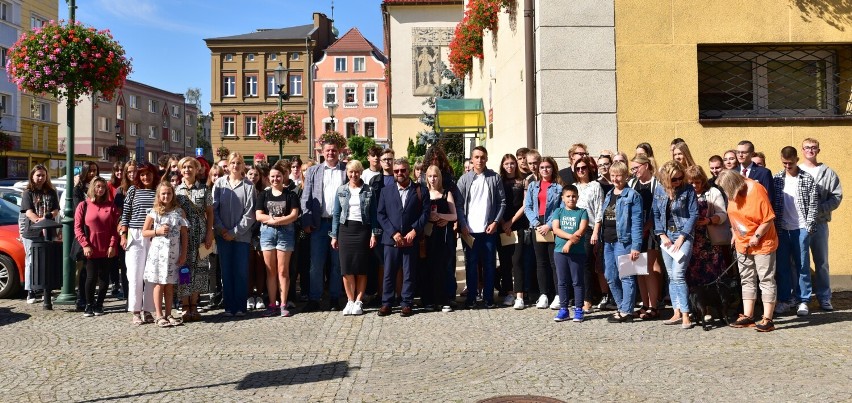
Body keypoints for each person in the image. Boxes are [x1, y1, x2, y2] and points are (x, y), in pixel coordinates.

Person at [716, 169, 778, 332]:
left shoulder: (756, 190)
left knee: (766, 279)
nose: (725, 192)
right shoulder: (732, 192)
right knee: (746, 279)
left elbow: (768, 218)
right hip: (742, 243)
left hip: (762, 242)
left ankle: (768, 319)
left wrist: (757, 236)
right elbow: (734, 216)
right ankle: (748, 316)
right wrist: (734, 234)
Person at [376, 159, 429, 316]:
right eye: (397, 170)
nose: (400, 173)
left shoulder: (420, 190)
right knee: (389, 273)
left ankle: (406, 303)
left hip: (410, 239)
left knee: (409, 272)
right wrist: (393, 233)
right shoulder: (386, 191)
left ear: (409, 170)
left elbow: (425, 213)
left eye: (403, 170)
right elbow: (380, 214)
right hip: (391, 239)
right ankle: (387, 303)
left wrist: (415, 230)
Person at [301, 140, 347, 312]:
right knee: (316, 263)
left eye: (334, 150)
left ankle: (335, 298)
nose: (330, 153)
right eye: (327, 150)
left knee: (337, 264)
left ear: (339, 151)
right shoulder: (313, 171)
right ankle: (314, 298)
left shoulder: (345, 170)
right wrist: (306, 221)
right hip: (319, 224)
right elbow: (305, 197)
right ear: (322, 151)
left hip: (339, 224)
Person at [771, 147, 817, 316]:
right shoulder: (777, 179)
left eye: (790, 163)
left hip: (801, 227)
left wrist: (808, 227)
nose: (787, 166)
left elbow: (813, 204)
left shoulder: (807, 178)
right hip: (782, 229)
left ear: (797, 159)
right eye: (784, 163)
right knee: (782, 266)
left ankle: (803, 300)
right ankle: (784, 300)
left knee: (802, 265)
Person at [458, 146, 506, 309]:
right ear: (472, 159)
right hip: (469, 231)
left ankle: (488, 298)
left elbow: (501, 202)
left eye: (482, 157)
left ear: (486, 159)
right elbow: (458, 205)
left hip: (488, 230)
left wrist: (495, 222)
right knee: (471, 265)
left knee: (489, 265)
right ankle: (471, 298)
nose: (479, 160)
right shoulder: (464, 179)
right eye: (477, 157)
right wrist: (463, 224)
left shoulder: (494, 178)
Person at [798, 137, 842, 311]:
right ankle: (803, 299)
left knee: (822, 262)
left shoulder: (828, 173)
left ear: (818, 150)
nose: (810, 150)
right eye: (807, 147)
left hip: (820, 223)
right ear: (802, 150)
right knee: (801, 262)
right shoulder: (796, 171)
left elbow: (836, 197)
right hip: (800, 224)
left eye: (813, 147)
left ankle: (824, 297)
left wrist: (819, 210)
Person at [653, 161, 698, 329]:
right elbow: (655, 213)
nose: (678, 181)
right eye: (674, 179)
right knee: (671, 275)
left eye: (680, 178)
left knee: (678, 274)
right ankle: (676, 311)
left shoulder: (688, 190)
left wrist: (682, 237)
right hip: (666, 236)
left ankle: (686, 314)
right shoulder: (659, 190)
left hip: (683, 235)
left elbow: (694, 214)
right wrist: (662, 234)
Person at [330, 160, 378, 316]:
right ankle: (350, 300)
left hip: (363, 230)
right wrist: (334, 235)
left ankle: (359, 301)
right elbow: (336, 214)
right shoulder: (341, 190)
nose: (353, 175)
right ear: (347, 173)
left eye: (356, 172)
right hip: (345, 230)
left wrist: (373, 234)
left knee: (361, 268)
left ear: (361, 172)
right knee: (347, 268)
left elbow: (374, 214)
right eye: (351, 172)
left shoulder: (369, 190)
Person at [212, 152, 256, 317]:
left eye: (238, 163)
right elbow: (214, 209)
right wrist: (222, 229)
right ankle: (229, 306)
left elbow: (250, 214)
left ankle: (240, 306)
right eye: (232, 163)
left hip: (241, 236)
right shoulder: (220, 184)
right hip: (223, 235)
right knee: (226, 271)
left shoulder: (249, 186)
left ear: (243, 165)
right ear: (228, 165)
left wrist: (234, 232)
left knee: (241, 272)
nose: (235, 166)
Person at [257, 160, 301, 317]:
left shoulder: (291, 194)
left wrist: (277, 221)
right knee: (271, 271)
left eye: (278, 176)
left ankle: (283, 303)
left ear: (283, 177)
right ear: (269, 178)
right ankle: (272, 304)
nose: (275, 179)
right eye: (273, 176)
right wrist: (274, 220)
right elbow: (258, 215)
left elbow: (294, 215)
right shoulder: (264, 194)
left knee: (283, 271)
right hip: (267, 233)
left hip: (285, 233)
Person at [601, 161, 643, 323]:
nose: (615, 179)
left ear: (626, 176)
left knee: (626, 276)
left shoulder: (633, 195)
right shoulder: (609, 194)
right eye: (613, 175)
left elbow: (637, 223)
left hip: (624, 241)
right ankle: (622, 307)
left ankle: (627, 311)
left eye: (619, 175)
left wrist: (636, 246)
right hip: (608, 241)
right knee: (610, 276)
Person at [142, 182, 188, 328]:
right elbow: (144, 232)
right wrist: (157, 231)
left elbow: (184, 235)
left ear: (173, 194)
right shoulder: (154, 212)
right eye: (163, 194)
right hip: (158, 254)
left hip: (173, 254)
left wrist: (183, 254)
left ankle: (169, 313)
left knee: (170, 285)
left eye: (169, 193)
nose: (166, 196)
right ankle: (159, 315)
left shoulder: (179, 212)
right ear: (159, 195)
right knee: (159, 283)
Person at [174, 157, 214, 322]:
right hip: (183, 236)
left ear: (197, 169)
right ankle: (185, 305)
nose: (187, 170)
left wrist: (209, 233)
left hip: (201, 235)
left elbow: (210, 212)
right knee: (184, 269)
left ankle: (194, 305)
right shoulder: (176, 191)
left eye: (190, 167)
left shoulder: (205, 189)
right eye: (184, 167)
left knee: (200, 270)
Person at [74, 177, 120, 317]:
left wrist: (112, 245)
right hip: (90, 248)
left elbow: (115, 228)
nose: (100, 189)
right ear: (92, 188)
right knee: (91, 277)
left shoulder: (111, 206)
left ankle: (99, 304)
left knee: (104, 278)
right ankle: (89, 304)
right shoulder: (83, 205)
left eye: (103, 187)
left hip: (106, 248)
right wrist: (85, 245)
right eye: (98, 186)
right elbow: (77, 228)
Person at [685, 165, 731, 303]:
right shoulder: (684, 193)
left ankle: (716, 305)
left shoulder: (713, 192)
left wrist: (709, 220)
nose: (694, 185)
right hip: (691, 242)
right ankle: (697, 306)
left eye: (697, 182)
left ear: (703, 180)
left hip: (709, 241)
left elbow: (722, 214)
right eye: (691, 182)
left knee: (713, 274)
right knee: (693, 275)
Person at [120, 162, 158, 325]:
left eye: (148, 174)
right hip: (135, 234)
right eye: (142, 174)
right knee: (135, 274)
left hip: (153, 235)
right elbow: (126, 213)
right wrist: (123, 235)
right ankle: (135, 310)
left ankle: (148, 310)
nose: (145, 177)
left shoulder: (158, 191)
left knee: (150, 275)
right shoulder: (133, 190)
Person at [524, 156, 563, 309]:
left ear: (553, 168)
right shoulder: (533, 186)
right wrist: (536, 223)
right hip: (537, 225)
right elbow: (527, 207)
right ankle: (543, 294)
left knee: (554, 262)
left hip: (552, 225)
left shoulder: (558, 187)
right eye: (542, 167)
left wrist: (548, 225)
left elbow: (560, 209)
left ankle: (558, 295)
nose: (545, 170)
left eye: (548, 167)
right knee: (540, 262)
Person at [627, 154, 663, 320]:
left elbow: (659, 210)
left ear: (646, 166)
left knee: (648, 268)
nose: (634, 171)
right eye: (632, 169)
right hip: (635, 231)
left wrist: (646, 227)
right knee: (637, 269)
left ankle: (654, 306)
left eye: (636, 168)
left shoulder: (657, 184)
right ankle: (645, 304)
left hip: (651, 231)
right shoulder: (632, 184)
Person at [20, 165, 60, 304]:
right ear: (32, 176)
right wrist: (40, 221)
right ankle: (30, 291)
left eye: (43, 175)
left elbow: (56, 210)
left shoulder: (51, 191)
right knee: (31, 261)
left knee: (47, 261)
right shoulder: (28, 193)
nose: (41, 178)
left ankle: (46, 290)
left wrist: (48, 217)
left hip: (49, 231)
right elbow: (28, 212)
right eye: (38, 175)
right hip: (32, 232)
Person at [550, 185, 589, 322]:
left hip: (577, 252)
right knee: (562, 281)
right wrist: (570, 237)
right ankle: (563, 309)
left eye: (573, 196)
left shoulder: (582, 212)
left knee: (577, 281)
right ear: (563, 198)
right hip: (559, 252)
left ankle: (578, 309)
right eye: (568, 196)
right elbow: (556, 229)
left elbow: (581, 229)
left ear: (577, 197)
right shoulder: (558, 211)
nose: (571, 199)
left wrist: (569, 243)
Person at [423, 165, 458, 312]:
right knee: (428, 267)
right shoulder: (424, 193)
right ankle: (429, 300)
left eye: (435, 176)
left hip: (443, 235)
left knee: (443, 266)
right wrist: (428, 218)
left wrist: (442, 217)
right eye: (430, 176)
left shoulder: (446, 193)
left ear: (440, 177)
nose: (433, 179)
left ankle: (444, 299)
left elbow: (454, 215)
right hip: (428, 235)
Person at [572, 156, 603, 313]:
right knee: (574, 265)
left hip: (589, 230)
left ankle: (587, 299)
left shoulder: (595, 186)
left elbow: (599, 210)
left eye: (583, 168)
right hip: (572, 230)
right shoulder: (573, 187)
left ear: (589, 169)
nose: (581, 171)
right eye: (577, 169)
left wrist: (596, 231)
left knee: (586, 265)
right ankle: (577, 298)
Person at [498, 154, 527, 309]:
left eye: (512, 163)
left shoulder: (523, 181)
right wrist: (503, 222)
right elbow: (496, 202)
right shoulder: (499, 181)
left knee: (517, 260)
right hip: (501, 225)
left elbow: (525, 204)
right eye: (506, 164)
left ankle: (519, 295)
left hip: (518, 223)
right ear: (502, 166)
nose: (510, 166)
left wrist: (511, 222)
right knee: (505, 261)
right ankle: (509, 292)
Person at [72, 161, 102, 310]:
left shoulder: (99, 187)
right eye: (90, 171)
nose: (92, 173)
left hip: (97, 231)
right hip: (84, 230)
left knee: (94, 269)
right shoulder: (78, 189)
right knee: (84, 268)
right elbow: (78, 209)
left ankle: (90, 297)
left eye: (95, 170)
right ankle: (81, 298)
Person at [206, 164, 225, 309]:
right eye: (214, 175)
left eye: (219, 175)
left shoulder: (225, 191)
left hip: (221, 232)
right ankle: (213, 295)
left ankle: (223, 294)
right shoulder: (206, 191)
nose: (216, 178)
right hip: (209, 234)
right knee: (211, 267)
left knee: (222, 266)